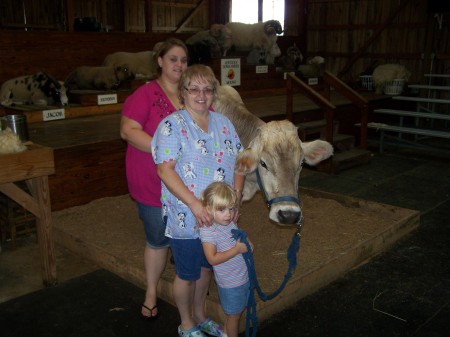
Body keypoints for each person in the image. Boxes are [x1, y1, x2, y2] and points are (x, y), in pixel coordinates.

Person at [151, 64, 245, 337]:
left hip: (218, 217)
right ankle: (186, 323)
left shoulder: (224, 124)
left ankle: (201, 315)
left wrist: (236, 199)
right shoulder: (172, 125)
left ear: (214, 93)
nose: (201, 95)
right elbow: (164, 169)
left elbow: (240, 163)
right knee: (187, 272)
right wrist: (194, 204)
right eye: (194, 89)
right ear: (184, 92)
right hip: (187, 215)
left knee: (207, 267)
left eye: (207, 89)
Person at [120, 38, 189, 320]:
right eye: (173, 58)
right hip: (151, 180)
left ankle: (188, 281)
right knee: (158, 238)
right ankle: (150, 291)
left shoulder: (190, 96)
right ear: (159, 61)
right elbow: (128, 130)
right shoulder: (145, 94)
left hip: (185, 182)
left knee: (186, 233)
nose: (179, 65)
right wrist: (164, 149)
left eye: (184, 60)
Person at [200, 181, 252, 337]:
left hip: (243, 277)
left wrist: (247, 244)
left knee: (237, 313)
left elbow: (240, 243)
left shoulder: (229, 223)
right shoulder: (208, 231)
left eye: (231, 208)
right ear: (208, 208)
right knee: (234, 316)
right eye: (222, 209)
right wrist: (237, 249)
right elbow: (212, 259)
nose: (228, 214)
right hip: (230, 283)